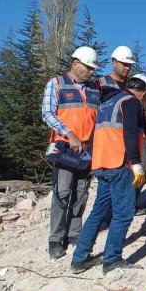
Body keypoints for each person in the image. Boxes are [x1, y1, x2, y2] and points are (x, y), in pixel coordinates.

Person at [70, 74, 146, 274]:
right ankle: (112, 259)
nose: (145, 102)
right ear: (144, 93)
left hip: (101, 164)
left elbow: (94, 135)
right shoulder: (131, 102)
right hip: (120, 163)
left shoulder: (107, 103)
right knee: (123, 213)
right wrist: (135, 163)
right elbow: (129, 133)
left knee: (98, 212)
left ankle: (79, 259)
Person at [41, 46, 101, 259]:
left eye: (93, 69)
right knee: (63, 192)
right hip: (65, 147)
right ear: (75, 64)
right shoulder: (56, 83)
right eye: (88, 68)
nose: (91, 72)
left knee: (81, 193)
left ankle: (74, 233)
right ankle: (56, 239)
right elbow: (47, 113)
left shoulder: (94, 89)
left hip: (87, 149)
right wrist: (69, 133)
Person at [97, 46, 146, 217]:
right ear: (114, 62)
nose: (127, 67)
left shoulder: (133, 84)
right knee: (114, 172)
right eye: (124, 64)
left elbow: (138, 111)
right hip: (111, 135)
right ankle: (111, 211)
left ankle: (130, 203)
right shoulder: (101, 84)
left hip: (134, 132)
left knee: (143, 166)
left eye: (129, 65)